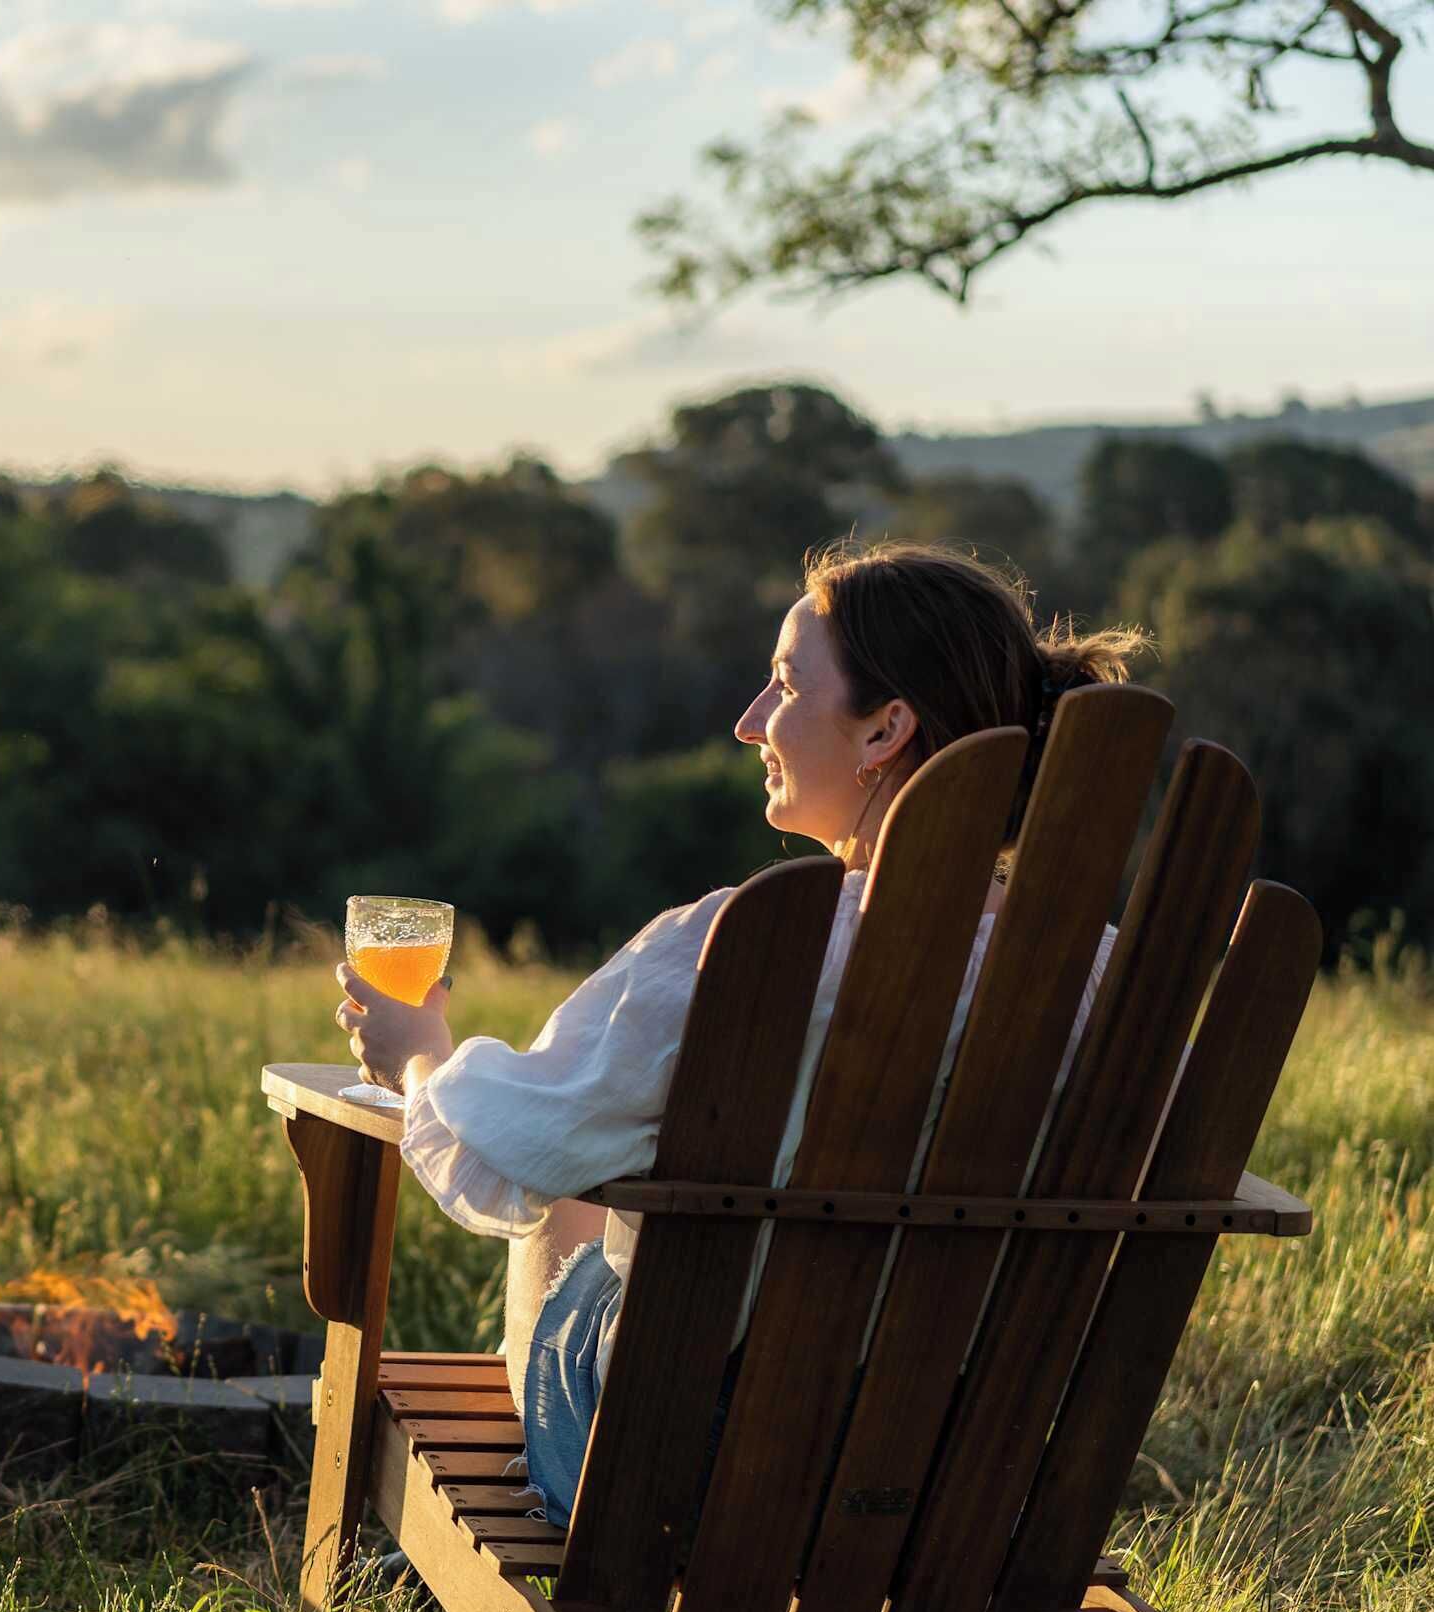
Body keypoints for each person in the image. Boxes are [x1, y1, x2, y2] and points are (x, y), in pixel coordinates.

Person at [335, 540, 1138, 1526]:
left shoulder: (742, 946)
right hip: (963, 1475)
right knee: (606, 1148)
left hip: (693, 1468)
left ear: (886, 728)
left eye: (785, 685)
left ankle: (536, 1473)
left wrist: (420, 1053)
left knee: (573, 1160)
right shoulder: (1103, 974)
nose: (749, 720)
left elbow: (507, 1148)